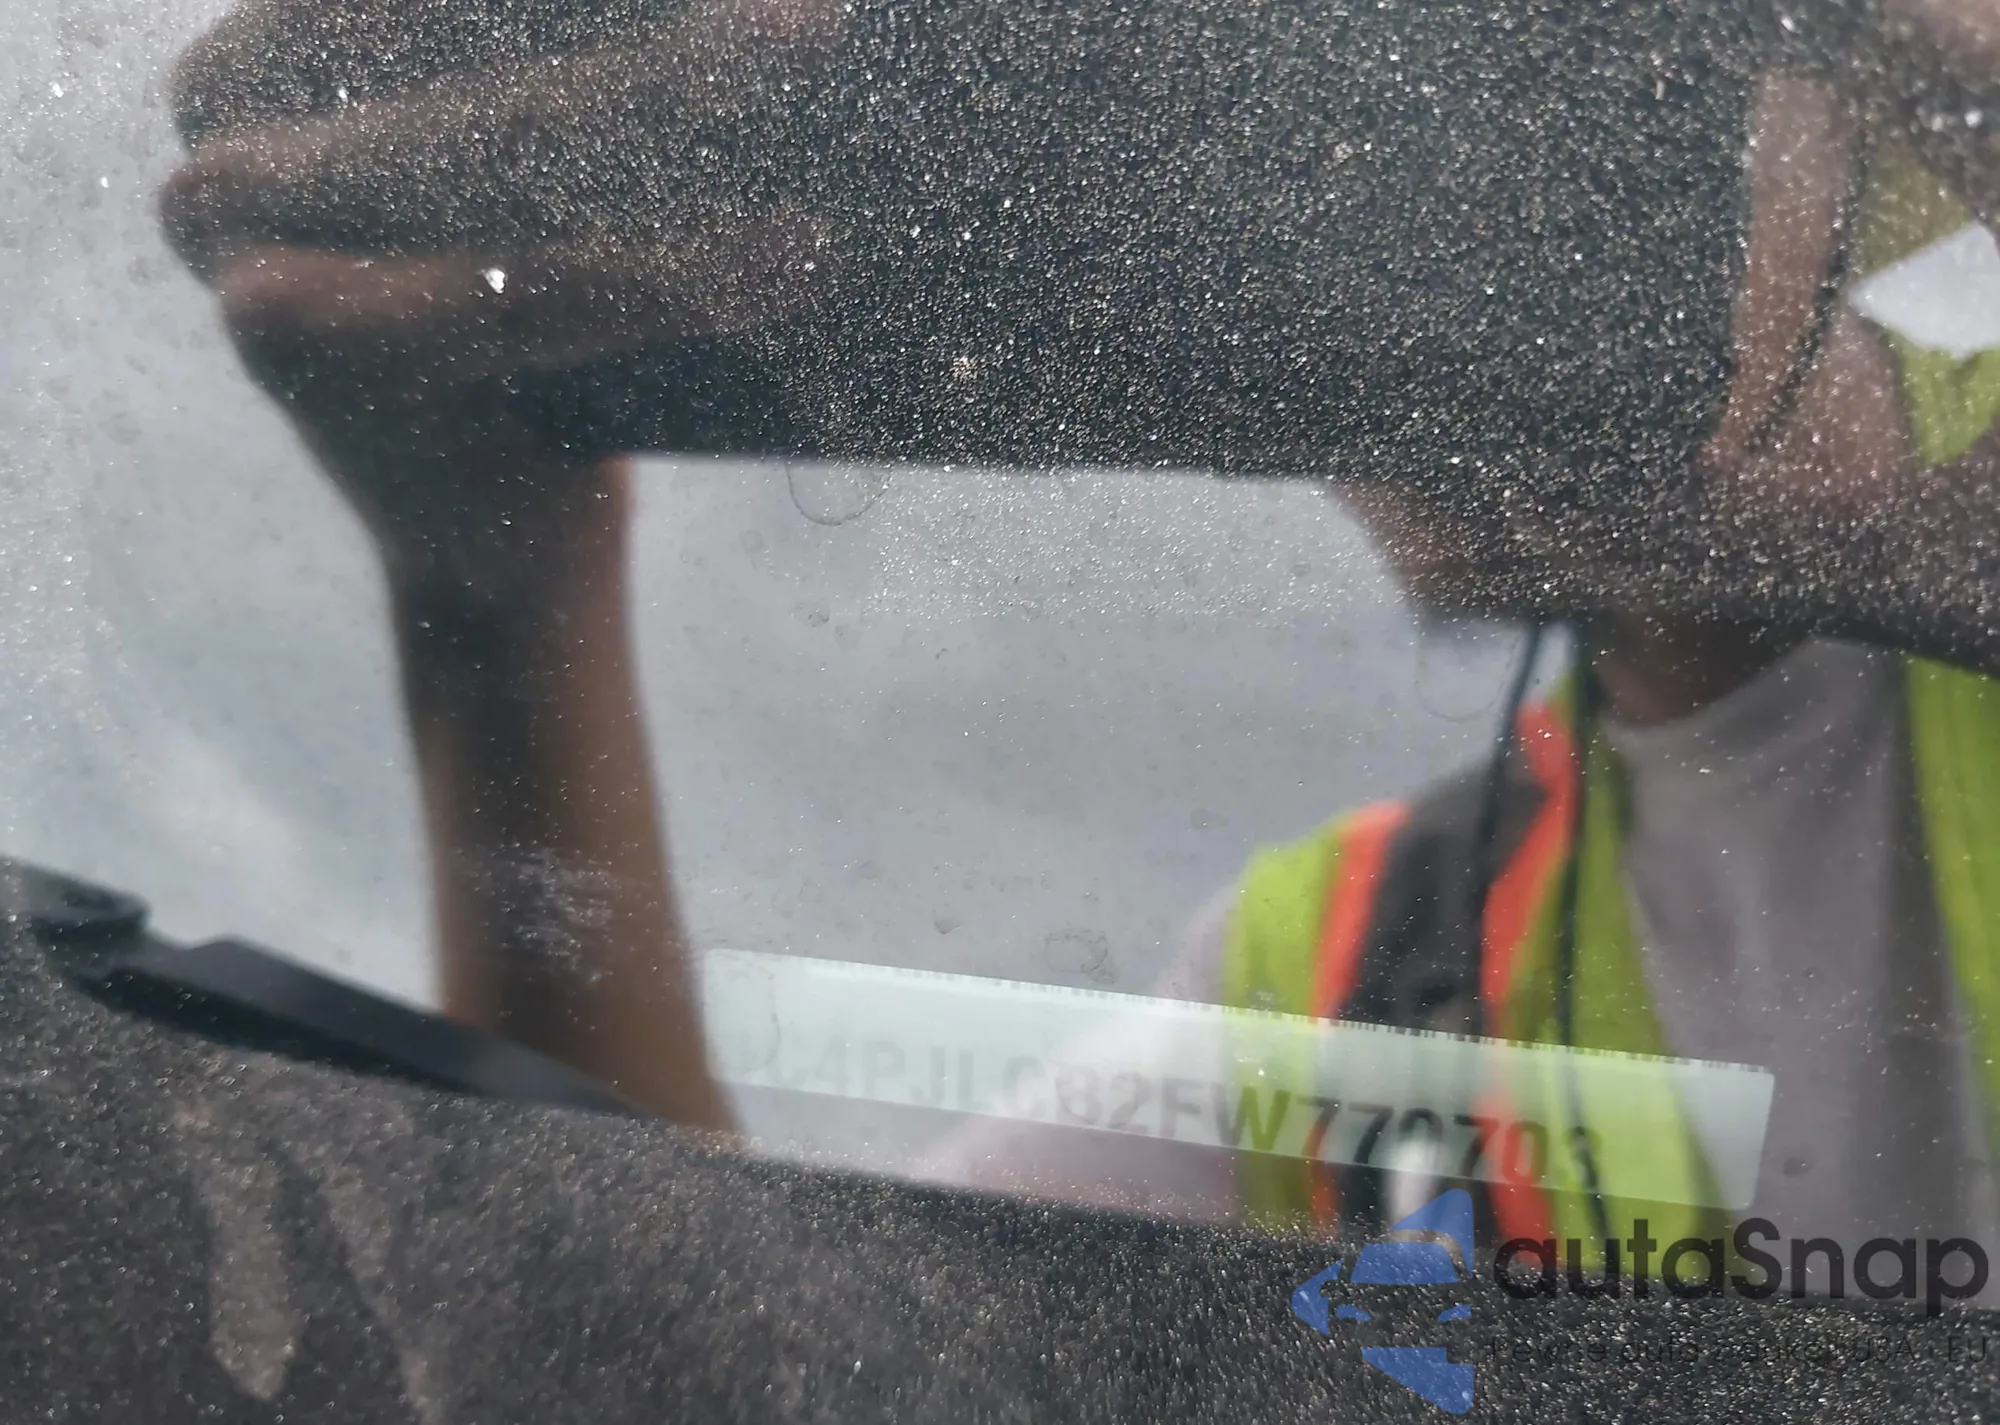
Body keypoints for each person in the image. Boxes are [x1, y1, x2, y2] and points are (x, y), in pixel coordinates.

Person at [158, 0, 2000, 1264]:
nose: (1364, 204)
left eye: (1484, 72)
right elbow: (655, 1358)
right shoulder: (1355, 984)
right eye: (1267, 125)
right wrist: (496, 605)